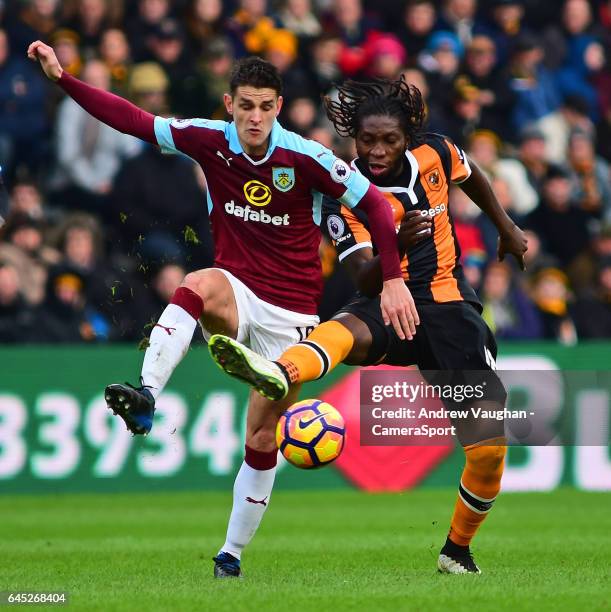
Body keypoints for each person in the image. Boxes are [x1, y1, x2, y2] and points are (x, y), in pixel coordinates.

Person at [27, 40, 416, 578]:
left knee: (261, 440)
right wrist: (63, 79)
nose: (254, 117)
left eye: (265, 106)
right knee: (197, 283)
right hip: (238, 292)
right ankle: (146, 395)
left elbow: (373, 203)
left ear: (278, 107)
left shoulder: (307, 157)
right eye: (245, 105)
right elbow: (134, 120)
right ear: (229, 103)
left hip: (295, 318)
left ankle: (230, 556)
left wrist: (393, 279)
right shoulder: (209, 140)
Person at [209, 76, 528, 575]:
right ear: (352, 139)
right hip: (384, 297)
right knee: (342, 333)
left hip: (449, 308)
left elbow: (475, 176)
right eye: (367, 141)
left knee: (488, 449)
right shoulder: (344, 190)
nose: (376, 151)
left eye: (389, 141)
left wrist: (504, 225)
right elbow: (362, 273)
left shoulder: (437, 153)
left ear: (409, 138)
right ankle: (281, 372)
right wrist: (395, 244)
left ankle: (456, 551)